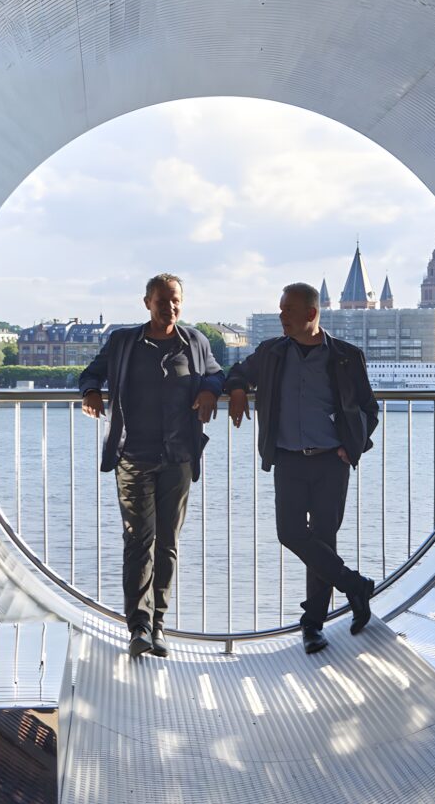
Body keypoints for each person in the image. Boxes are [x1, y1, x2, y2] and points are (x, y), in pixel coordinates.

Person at [226, 282, 382, 653]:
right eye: (281, 310)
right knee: (291, 533)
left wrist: (352, 447)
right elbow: (237, 372)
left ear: (311, 314)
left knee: (323, 540)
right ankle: (355, 586)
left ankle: (313, 624)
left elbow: (368, 410)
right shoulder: (271, 353)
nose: (282, 317)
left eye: (288, 311)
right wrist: (234, 391)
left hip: (332, 462)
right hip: (289, 460)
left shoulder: (346, 356)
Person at [77, 274, 226, 656]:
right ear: (147, 303)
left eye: (175, 300)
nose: (170, 307)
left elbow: (215, 373)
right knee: (138, 541)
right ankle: (138, 628)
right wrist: (91, 392)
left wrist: (210, 391)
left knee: (168, 544)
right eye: (162, 301)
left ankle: (159, 624)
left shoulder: (195, 341)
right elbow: (92, 372)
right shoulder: (124, 342)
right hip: (133, 456)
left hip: (178, 456)